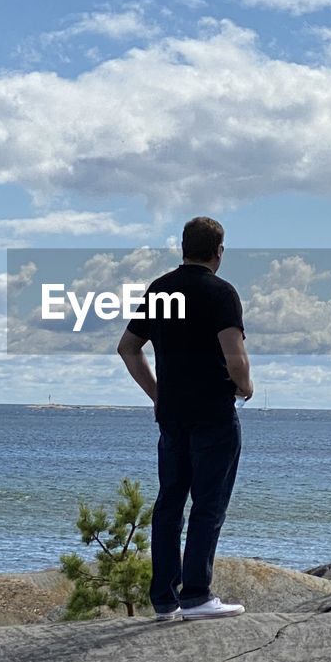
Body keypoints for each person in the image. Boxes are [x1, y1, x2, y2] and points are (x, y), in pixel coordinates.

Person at [117, 216, 253, 621]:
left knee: (170, 503)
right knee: (208, 505)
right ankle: (196, 595)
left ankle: (164, 599)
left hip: (172, 416)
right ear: (219, 250)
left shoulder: (160, 289)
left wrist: (158, 394)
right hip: (213, 412)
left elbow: (128, 348)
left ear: (183, 247)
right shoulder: (221, 293)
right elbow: (234, 354)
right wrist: (245, 385)